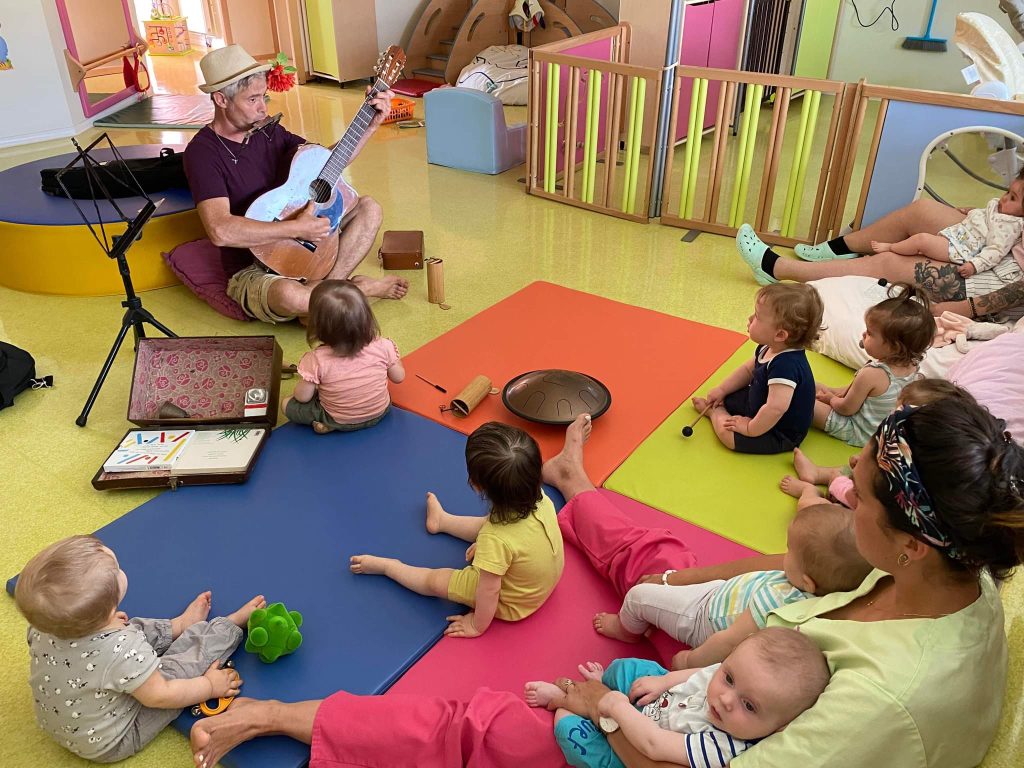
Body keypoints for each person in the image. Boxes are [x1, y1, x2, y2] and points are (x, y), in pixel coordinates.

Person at [190, 400, 1024, 768]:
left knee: (481, 726)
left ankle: (281, 717)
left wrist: (600, 705)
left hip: (690, 735)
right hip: (733, 670)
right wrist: (694, 629)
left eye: (861, 493)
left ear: (912, 544)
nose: (841, 482)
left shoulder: (886, 705)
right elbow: (776, 588)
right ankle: (577, 485)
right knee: (660, 560)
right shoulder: (948, 566)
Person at [183, 45, 408, 324]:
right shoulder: (203, 153)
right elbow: (220, 230)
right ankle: (355, 289)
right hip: (253, 266)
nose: (262, 107)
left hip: (303, 246)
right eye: (252, 99)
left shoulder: (267, 130)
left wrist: (369, 126)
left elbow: (325, 163)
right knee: (292, 297)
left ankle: (323, 294)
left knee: (369, 208)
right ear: (221, 99)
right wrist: (296, 228)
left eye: (263, 97)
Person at [14, 535, 264, 763]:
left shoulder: (45, 626)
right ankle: (226, 629)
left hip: (59, 723)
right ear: (110, 604)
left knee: (125, 626)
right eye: (116, 568)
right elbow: (161, 695)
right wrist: (209, 686)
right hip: (113, 740)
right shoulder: (122, 648)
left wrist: (113, 623)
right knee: (173, 670)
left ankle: (179, 626)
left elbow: (96, 644)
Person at [349, 421, 565, 638]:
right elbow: (522, 539)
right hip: (540, 583)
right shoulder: (540, 500)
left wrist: (476, 625)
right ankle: (442, 521)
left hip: (515, 601)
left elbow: (490, 591)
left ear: (477, 484)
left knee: (435, 581)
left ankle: (390, 567)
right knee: (490, 528)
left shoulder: (495, 538)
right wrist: (488, 549)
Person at [592, 504, 869, 671]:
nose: (784, 556)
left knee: (639, 596)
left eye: (789, 551)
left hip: (701, 618)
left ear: (808, 582)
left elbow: (728, 641)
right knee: (670, 582)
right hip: (722, 595)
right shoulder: (812, 587)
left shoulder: (778, 603)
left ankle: (626, 628)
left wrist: (690, 661)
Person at [524, 628, 829, 768]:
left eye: (749, 706)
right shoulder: (735, 674)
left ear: (778, 727)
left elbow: (653, 746)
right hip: (657, 703)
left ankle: (563, 701)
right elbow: (703, 673)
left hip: (639, 741)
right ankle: (599, 683)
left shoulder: (721, 746)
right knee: (629, 668)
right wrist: (664, 680)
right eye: (730, 678)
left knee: (569, 731)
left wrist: (614, 705)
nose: (725, 699)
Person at [733, 181, 1024, 321]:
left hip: (999, 276)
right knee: (921, 211)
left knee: (889, 261)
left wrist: (966, 308)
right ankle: (838, 249)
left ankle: (778, 270)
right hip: (1004, 243)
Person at [782, 378, 977, 509]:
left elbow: (858, 499)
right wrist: (860, 464)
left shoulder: (903, 473)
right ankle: (817, 473)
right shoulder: (918, 461)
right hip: (867, 492)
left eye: (897, 415)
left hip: (855, 506)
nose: (890, 420)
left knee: (812, 509)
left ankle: (809, 491)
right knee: (843, 470)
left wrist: (849, 480)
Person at [693, 283, 823, 454]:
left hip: (779, 430)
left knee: (729, 437)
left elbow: (776, 408)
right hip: (759, 404)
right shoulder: (769, 346)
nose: (749, 318)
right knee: (727, 396)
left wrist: (749, 428)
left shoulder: (785, 366)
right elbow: (748, 370)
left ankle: (715, 413)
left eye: (757, 317)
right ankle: (722, 406)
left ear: (780, 335)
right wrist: (722, 389)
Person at [812, 284, 934, 446]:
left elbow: (846, 409)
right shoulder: (913, 367)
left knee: (803, 402)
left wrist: (831, 399)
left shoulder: (872, 374)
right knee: (810, 384)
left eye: (870, 333)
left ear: (894, 347)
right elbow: (857, 391)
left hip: (858, 430)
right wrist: (836, 392)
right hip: (880, 431)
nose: (863, 334)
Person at [280, 280, 404, 434]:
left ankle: (328, 424)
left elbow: (302, 397)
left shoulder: (315, 359)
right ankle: (329, 423)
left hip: (337, 418)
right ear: (367, 317)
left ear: (317, 326)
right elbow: (399, 377)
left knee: (286, 404)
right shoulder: (383, 345)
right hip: (379, 412)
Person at [869, 179, 1024, 284]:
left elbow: (995, 251)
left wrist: (974, 265)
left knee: (921, 241)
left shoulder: (1010, 226)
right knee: (920, 236)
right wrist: (972, 211)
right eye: (1007, 193)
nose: (1004, 198)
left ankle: (890, 247)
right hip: (960, 234)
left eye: (1012, 198)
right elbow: (987, 214)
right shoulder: (1001, 209)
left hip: (961, 249)